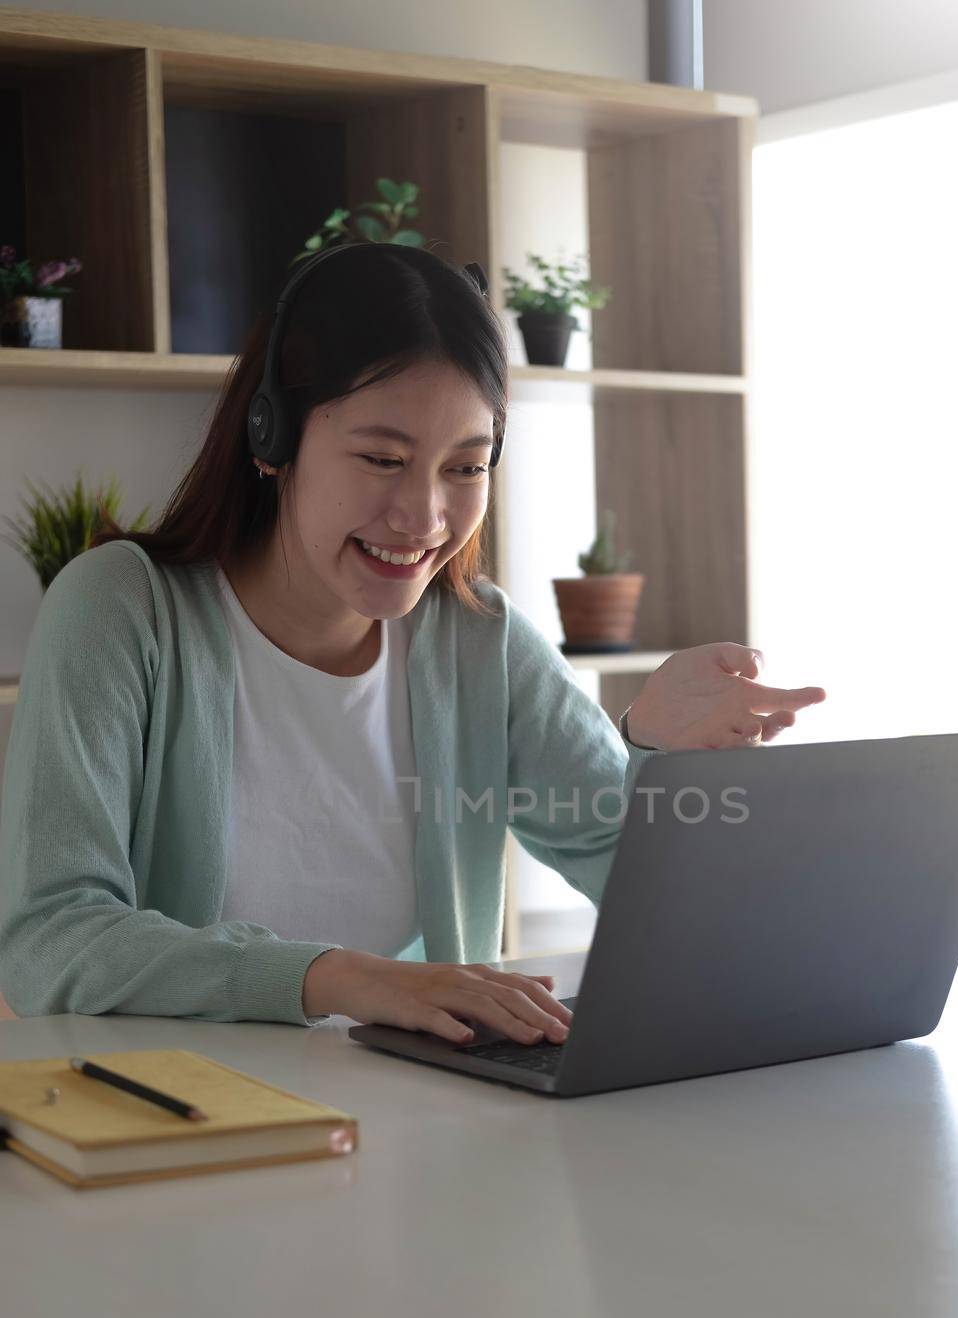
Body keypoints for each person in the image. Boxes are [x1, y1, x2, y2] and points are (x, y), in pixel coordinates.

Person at [0, 242, 825, 1042]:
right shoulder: (122, 610)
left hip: (432, 1132)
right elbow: (52, 940)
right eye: (382, 458)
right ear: (271, 440)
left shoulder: (479, 641)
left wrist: (654, 748)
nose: (423, 517)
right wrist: (340, 977)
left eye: (465, 469)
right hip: (189, 1131)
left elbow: (642, 882)